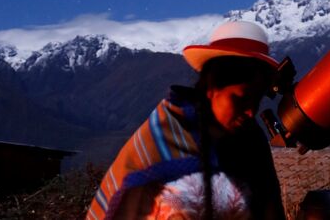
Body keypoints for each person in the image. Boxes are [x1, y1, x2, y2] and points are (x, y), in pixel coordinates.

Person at [87, 21, 286, 220]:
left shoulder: (250, 140)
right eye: (240, 99)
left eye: (257, 100)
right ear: (211, 88)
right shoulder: (162, 141)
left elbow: (269, 208)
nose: (251, 112)